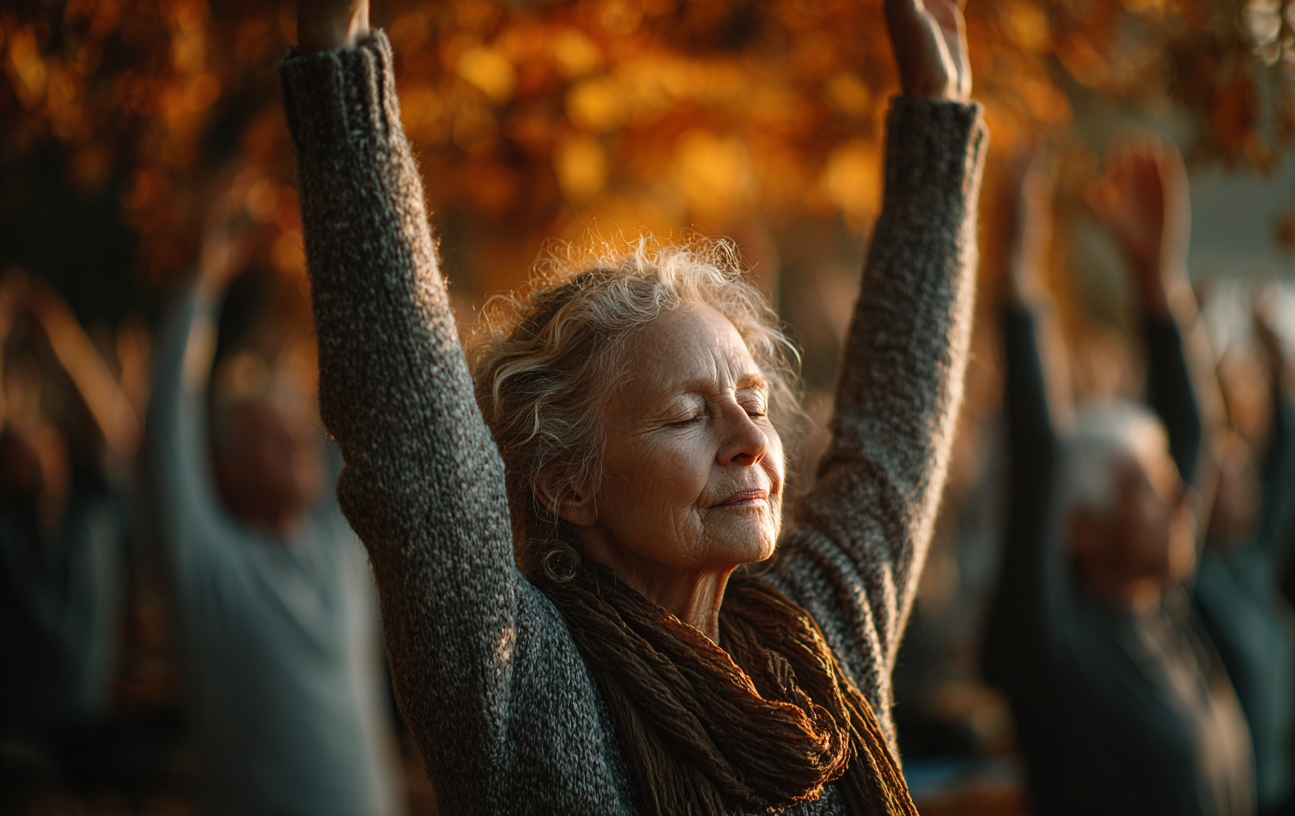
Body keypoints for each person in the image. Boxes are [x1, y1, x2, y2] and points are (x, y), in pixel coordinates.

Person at [281, 0, 985, 811]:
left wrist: (939, 110)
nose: (750, 439)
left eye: (752, 401)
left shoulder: (817, 640)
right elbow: (417, 453)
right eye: (688, 416)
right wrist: (341, 75)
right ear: (566, 484)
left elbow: (898, 425)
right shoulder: (524, 686)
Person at [982, 139, 1254, 816]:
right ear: (1081, 528)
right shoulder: (1051, 647)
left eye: (1168, 482)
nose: (1180, 498)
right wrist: (1017, 280)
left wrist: (1158, 280)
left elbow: (1194, 435)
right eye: (1147, 487)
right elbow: (1039, 451)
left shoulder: (1163, 608)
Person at [145, 199, 402, 816]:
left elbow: (365, 395)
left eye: (296, 428)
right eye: (269, 434)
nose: (296, 440)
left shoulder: (339, 545)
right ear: (225, 466)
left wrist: (328, 263)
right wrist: (203, 280)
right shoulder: (208, 569)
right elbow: (168, 421)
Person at [0, 270, 139, 788]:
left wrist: (60, 336)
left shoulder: (93, 513)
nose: (32, 457)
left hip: (91, 731)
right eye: (16, 451)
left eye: (41, 444)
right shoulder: (7, 531)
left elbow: (112, 432)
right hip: (16, 733)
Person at [1192, 297, 1295, 813]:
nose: (1250, 486)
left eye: (1246, 474)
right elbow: (1186, 432)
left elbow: (1289, 465)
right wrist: (1187, 336)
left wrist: (1278, 359)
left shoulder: (1256, 560)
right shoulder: (1194, 578)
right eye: (1232, 477)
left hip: (1282, 790)